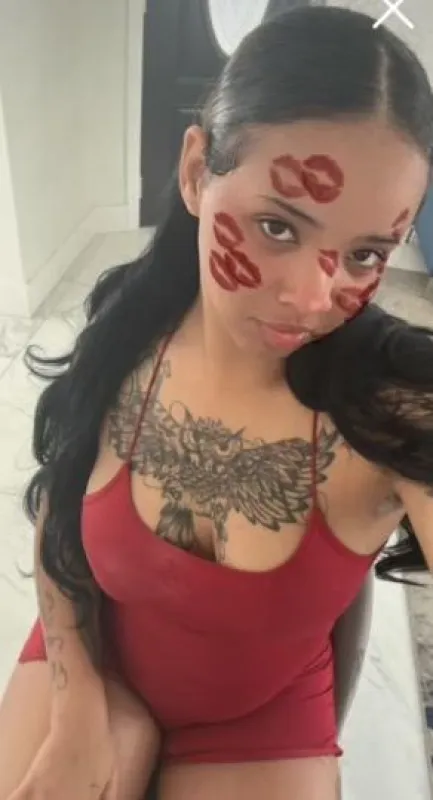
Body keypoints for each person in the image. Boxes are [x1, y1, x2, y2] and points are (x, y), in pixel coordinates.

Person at [0, 6, 433, 799]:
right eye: (277, 227)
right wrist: (77, 710)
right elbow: (59, 508)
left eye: (365, 253)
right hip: (91, 659)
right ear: (198, 171)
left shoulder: (397, 410)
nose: (312, 298)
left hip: (260, 721)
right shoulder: (130, 322)